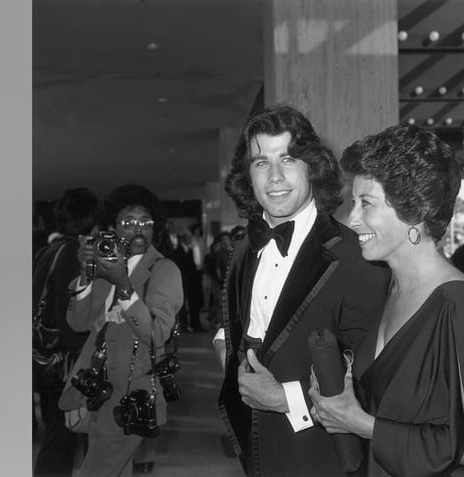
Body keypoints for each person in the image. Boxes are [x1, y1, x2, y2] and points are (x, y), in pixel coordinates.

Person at [308, 124, 464, 476]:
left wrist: (362, 423)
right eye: (353, 203)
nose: (351, 219)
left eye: (366, 203)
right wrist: (342, 396)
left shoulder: (458, 307)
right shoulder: (393, 287)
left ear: (414, 211)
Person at [215, 104, 391, 476]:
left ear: (313, 167)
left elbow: (374, 382)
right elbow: (242, 319)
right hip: (253, 449)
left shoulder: (359, 257)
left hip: (321, 456)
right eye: (261, 162)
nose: (275, 176)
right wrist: (225, 344)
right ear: (248, 176)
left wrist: (284, 399)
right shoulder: (245, 247)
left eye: (289, 159)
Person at [58, 184, 184, 477]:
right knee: (117, 469)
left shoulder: (164, 270)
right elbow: (78, 323)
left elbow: (156, 334)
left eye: (145, 222)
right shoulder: (106, 266)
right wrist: (86, 274)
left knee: (97, 469)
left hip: (132, 391)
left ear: (155, 228)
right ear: (112, 228)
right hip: (96, 386)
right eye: (127, 222)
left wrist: (124, 285)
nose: (137, 228)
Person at [33, 188, 98, 477]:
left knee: (55, 438)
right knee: (61, 442)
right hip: (64, 362)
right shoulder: (73, 254)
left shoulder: (48, 251)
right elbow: (68, 311)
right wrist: (84, 355)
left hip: (45, 356)